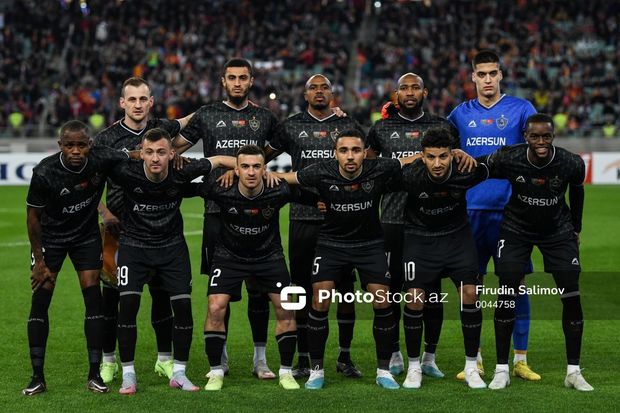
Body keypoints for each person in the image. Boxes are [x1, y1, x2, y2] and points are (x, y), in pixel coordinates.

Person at [275, 129, 424, 390]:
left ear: (365, 153)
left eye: (356, 150)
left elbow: (411, 159)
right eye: (344, 151)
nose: (350, 156)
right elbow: (288, 178)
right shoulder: (321, 170)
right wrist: (252, 173)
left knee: (382, 299)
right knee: (320, 298)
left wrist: (453, 153)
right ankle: (316, 371)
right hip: (331, 244)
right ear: (336, 154)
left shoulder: (379, 167)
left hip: (370, 245)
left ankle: (383, 371)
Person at [172, 58, 278, 379]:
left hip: (259, 212)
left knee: (259, 290)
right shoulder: (207, 114)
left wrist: (252, 171)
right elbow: (173, 148)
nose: (237, 83)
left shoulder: (265, 117)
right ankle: (222, 355)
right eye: (232, 78)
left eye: (243, 78)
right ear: (223, 81)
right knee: (223, 292)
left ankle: (260, 359)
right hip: (217, 213)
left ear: (251, 81)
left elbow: (280, 146)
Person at [109, 128, 236, 394]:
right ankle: (128, 375)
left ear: (172, 154)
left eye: (161, 152)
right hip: (134, 248)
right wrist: (129, 154)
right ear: (141, 153)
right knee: (128, 306)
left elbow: (219, 160)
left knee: (183, 308)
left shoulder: (183, 171)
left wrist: (241, 169)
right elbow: (95, 160)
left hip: (172, 249)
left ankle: (179, 373)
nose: (155, 158)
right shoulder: (127, 171)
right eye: (149, 152)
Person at [94, 76, 194, 383]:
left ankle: (165, 360)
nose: (137, 105)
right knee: (113, 300)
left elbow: (192, 120)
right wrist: (105, 212)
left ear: (151, 102)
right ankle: (109, 361)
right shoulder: (107, 138)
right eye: (132, 99)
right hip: (118, 230)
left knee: (162, 297)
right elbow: (90, 182)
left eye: (143, 99)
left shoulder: (161, 131)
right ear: (122, 103)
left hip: (158, 228)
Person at [448, 49, 540, 381]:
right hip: (469, 213)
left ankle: (520, 359)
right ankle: (474, 360)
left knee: (515, 285)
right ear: (473, 77)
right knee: (469, 286)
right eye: (481, 74)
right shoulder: (459, 114)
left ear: (501, 75)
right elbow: (440, 149)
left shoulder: (522, 109)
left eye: (493, 73)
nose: (487, 79)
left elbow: (538, 149)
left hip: (511, 214)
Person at [482, 114, 591, 391]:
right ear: (526, 137)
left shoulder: (571, 162)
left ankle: (574, 372)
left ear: (553, 136)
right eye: (535, 136)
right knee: (507, 292)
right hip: (516, 229)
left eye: (546, 136)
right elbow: (478, 168)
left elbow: (577, 192)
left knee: (571, 293)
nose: (541, 141)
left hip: (557, 231)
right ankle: (501, 369)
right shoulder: (510, 157)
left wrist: (576, 228)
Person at [265, 74, 364, 378]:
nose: (319, 92)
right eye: (313, 88)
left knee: (344, 292)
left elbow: (365, 163)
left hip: (342, 219)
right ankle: (304, 358)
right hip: (303, 218)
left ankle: (345, 356)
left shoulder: (347, 125)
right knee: (301, 289)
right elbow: (261, 156)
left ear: (332, 94)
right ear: (305, 94)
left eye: (324, 88)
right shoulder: (291, 125)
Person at [24, 120, 128, 395]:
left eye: (81, 145)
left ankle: (94, 375)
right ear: (60, 145)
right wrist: (39, 260)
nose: (75, 151)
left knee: (93, 300)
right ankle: (37, 377)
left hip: (86, 237)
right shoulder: (45, 171)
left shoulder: (100, 158)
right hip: (51, 240)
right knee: (41, 300)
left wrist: (167, 155)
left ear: (89, 145)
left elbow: (134, 154)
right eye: (69, 145)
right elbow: (32, 218)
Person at [201, 145, 316, 391]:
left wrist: (326, 203)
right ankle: (216, 371)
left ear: (265, 169)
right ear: (236, 169)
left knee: (286, 307)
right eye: (245, 166)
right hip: (228, 256)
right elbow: (183, 186)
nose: (251, 172)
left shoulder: (278, 189)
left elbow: (310, 195)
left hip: (269, 256)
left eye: (256, 167)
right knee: (215, 307)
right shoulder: (221, 188)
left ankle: (286, 372)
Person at [367, 73, 459, 378]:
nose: (409, 92)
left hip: (431, 222)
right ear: (396, 94)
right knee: (392, 291)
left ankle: (429, 357)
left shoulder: (442, 126)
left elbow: (455, 164)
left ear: (424, 92)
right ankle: (394, 352)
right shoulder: (381, 128)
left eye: (415, 88)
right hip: (392, 220)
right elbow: (369, 168)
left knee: (431, 292)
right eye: (404, 88)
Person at [395, 127, 488, 389]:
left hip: (457, 238)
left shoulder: (466, 169)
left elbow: (499, 164)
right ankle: (414, 367)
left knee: (470, 293)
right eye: (431, 157)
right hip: (419, 239)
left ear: (452, 154)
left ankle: (471, 367)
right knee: (414, 299)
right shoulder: (410, 174)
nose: (437, 163)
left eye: (443, 156)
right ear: (422, 156)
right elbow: (374, 174)